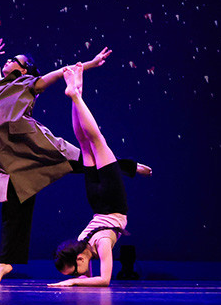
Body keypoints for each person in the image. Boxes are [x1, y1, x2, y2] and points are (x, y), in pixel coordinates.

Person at [0, 39, 111, 284]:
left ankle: (126, 166)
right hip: (9, 157)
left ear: (24, 70)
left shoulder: (29, 84)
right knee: (12, 209)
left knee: (86, 161)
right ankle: (5, 262)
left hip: (31, 146)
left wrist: (90, 64)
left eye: (14, 60)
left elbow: (62, 72)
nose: (8, 60)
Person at [49, 63, 148, 287]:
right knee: (86, 144)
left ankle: (76, 94)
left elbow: (104, 280)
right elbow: (94, 277)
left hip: (112, 202)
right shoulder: (82, 242)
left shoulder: (101, 243)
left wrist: (74, 283)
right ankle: (76, 91)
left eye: (74, 271)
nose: (78, 275)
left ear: (79, 258)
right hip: (97, 201)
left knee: (95, 141)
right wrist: (78, 280)